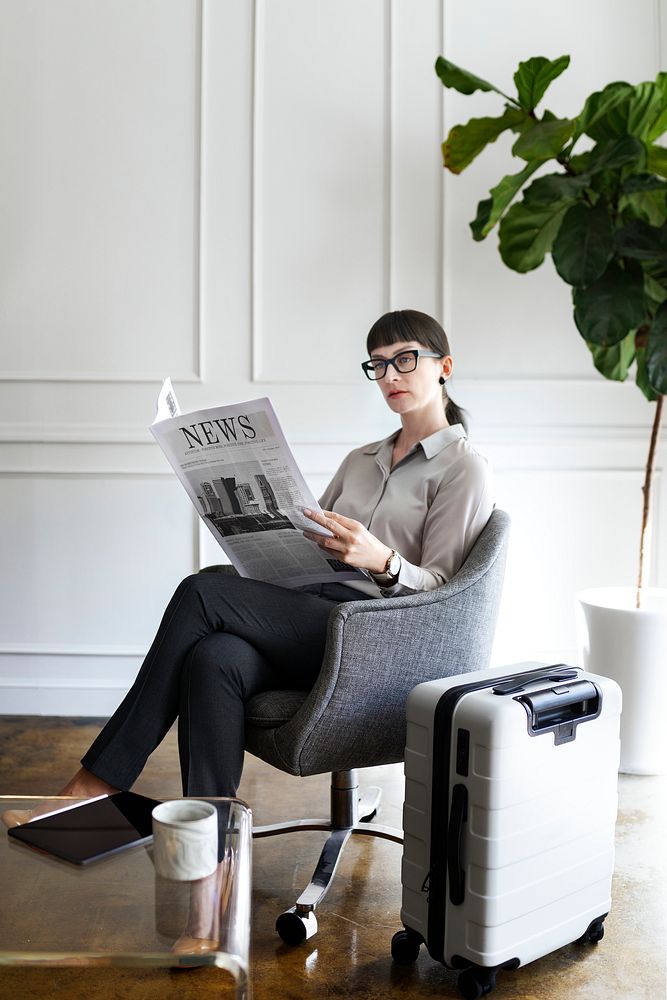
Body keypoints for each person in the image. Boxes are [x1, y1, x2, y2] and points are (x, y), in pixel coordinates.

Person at [3, 309, 493, 827]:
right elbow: (316, 541)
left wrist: (384, 560)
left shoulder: (464, 468)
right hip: (316, 620)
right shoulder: (360, 460)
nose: (391, 376)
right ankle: (213, 837)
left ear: (445, 366)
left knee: (202, 593)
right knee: (214, 657)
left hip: (379, 641)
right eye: (378, 365)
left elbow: (443, 592)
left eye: (405, 359)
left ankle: (97, 782)